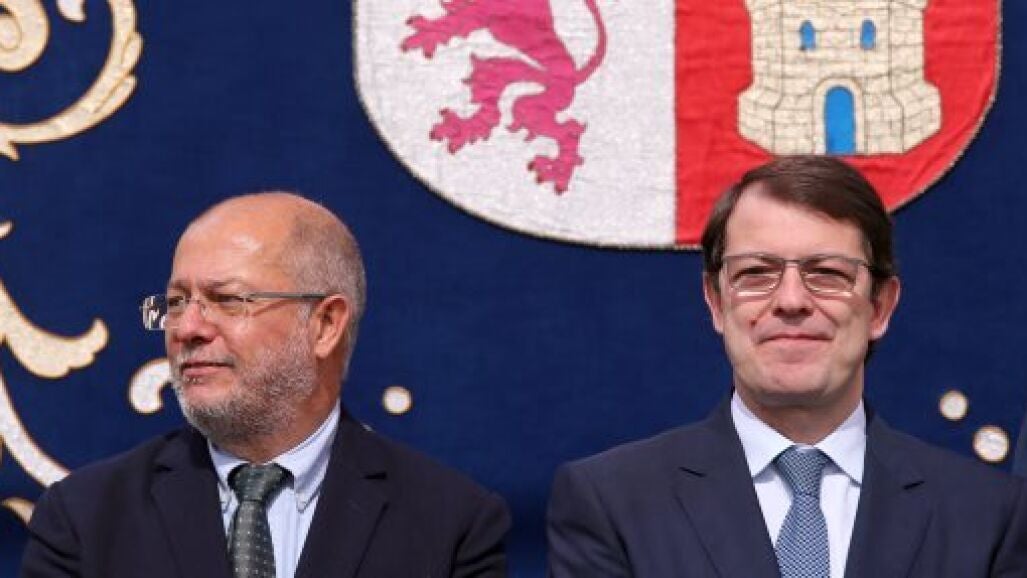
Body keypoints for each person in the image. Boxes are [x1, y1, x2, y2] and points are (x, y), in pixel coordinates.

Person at [546, 156, 1027, 577]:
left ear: (880, 306)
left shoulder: (989, 517)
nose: (791, 300)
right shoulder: (613, 504)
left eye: (827, 273)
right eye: (756, 273)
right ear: (715, 302)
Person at [21, 192, 510, 578]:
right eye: (175, 302)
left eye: (227, 300)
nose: (187, 328)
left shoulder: (449, 524)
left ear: (325, 324)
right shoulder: (85, 518)